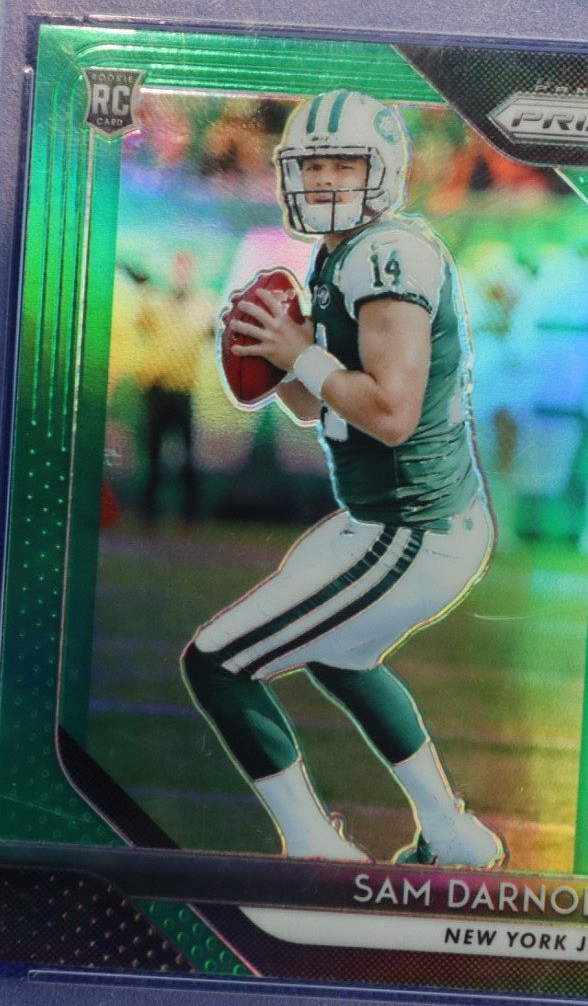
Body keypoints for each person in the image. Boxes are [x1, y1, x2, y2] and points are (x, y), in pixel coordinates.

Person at [181, 90, 506, 868]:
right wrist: (273, 354)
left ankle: (313, 847)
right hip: (393, 519)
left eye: (342, 164)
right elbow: (320, 407)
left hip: (415, 527)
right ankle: (452, 833)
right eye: (312, 165)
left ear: (384, 170)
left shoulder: (391, 255)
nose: (324, 180)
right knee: (341, 654)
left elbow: (389, 414)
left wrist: (299, 354)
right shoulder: (341, 253)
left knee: (218, 663)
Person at [135, 250, 212, 523]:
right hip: (157, 387)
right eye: (177, 268)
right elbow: (142, 326)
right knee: (153, 454)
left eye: (185, 268)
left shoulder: (202, 304)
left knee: (187, 457)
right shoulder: (157, 301)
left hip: (183, 389)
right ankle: (149, 512)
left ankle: (189, 514)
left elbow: (212, 333)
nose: (181, 274)